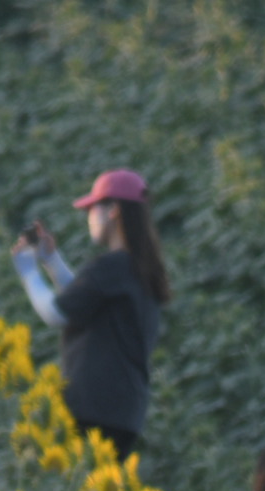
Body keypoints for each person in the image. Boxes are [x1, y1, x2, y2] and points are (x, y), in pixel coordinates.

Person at [13, 168, 169, 457]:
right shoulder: (141, 270)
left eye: (93, 208)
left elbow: (57, 313)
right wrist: (52, 261)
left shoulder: (111, 267)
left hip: (91, 407)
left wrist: (28, 272)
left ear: (113, 211)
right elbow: (85, 298)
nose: (88, 216)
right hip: (125, 415)